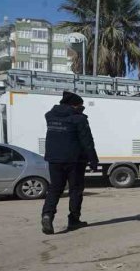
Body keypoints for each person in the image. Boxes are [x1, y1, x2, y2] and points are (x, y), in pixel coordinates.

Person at [41, 91, 98, 235]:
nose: (82, 108)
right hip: (75, 160)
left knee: (54, 189)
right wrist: (93, 160)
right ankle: (74, 220)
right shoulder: (79, 119)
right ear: (74, 105)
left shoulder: (50, 116)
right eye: (80, 106)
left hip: (54, 159)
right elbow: (87, 141)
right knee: (75, 190)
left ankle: (47, 215)